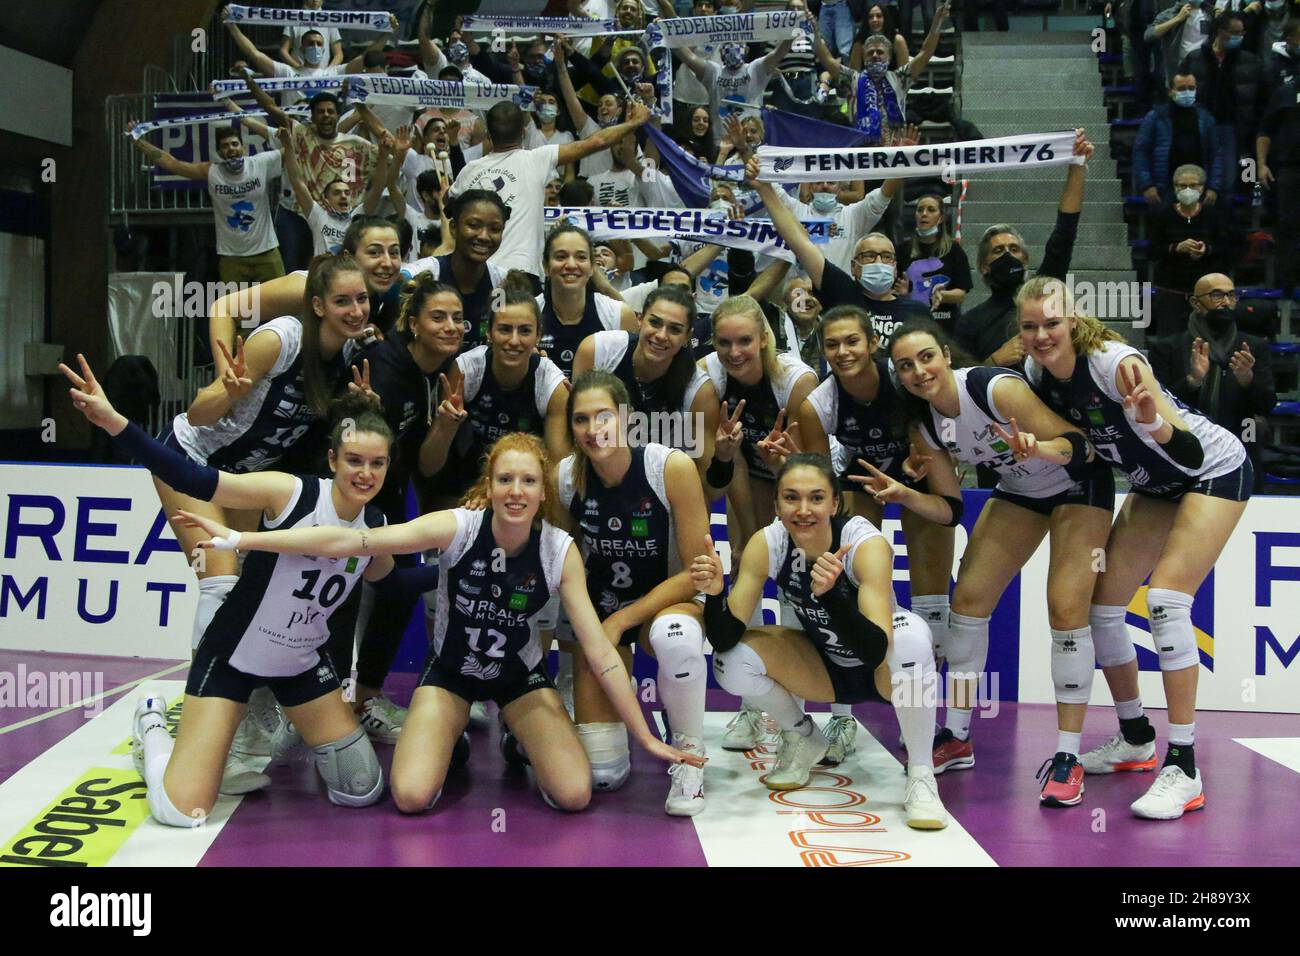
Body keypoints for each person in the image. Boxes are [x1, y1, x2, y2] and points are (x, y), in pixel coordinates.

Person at [194, 431, 705, 813]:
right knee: (412, 796)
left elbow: (600, 654)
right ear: (490, 484)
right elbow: (351, 541)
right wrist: (245, 542)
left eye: (528, 481)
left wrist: (647, 738)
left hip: (517, 680)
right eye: (505, 479)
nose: (516, 491)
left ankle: (514, 732)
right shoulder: (457, 527)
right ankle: (451, 737)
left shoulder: (558, 550)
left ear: (542, 492)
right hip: (451, 674)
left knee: (574, 794)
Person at [63, 360, 397, 825]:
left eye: (377, 463)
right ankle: (153, 728)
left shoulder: (378, 529)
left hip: (301, 665)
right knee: (183, 810)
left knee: (362, 789)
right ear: (333, 460)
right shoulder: (290, 493)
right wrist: (116, 423)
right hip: (234, 656)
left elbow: (396, 583)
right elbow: (195, 480)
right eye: (354, 461)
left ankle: (277, 727)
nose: (365, 473)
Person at [1018, 275, 1252, 820]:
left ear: (1073, 319)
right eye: (1030, 327)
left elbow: (1192, 455)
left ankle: (1186, 765)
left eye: (1052, 323)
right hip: (1154, 484)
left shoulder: (1114, 363)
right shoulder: (1037, 376)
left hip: (1211, 470)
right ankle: (1135, 737)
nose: (1042, 335)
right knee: (1103, 609)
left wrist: (1152, 424)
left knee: (1168, 601)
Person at [883, 316, 1114, 805]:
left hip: (1078, 483)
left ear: (946, 355)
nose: (919, 371)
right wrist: (906, 494)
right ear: (899, 376)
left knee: (1065, 610)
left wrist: (1039, 448)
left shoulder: (994, 389)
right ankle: (959, 733)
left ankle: (1068, 755)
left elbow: (1084, 445)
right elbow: (950, 510)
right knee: (966, 601)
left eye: (926, 357)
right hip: (1021, 492)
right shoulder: (925, 425)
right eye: (906, 366)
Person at [690, 453, 949, 828]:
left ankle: (921, 774)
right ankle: (804, 738)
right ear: (776, 504)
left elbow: (875, 649)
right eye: (791, 497)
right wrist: (715, 594)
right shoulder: (769, 543)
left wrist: (832, 597)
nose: (803, 509)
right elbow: (725, 637)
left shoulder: (865, 544)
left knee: (910, 638)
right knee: (730, 663)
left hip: (879, 672)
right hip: (823, 667)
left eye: (815, 498)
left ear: (835, 503)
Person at [795, 306, 956, 765]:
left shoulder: (903, 378)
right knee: (847, 589)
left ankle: (932, 719)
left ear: (871, 343)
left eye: (852, 342)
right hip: (859, 483)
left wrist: (911, 469)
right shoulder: (817, 404)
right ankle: (843, 714)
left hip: (917, 476)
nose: (843, 352)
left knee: (931, 602)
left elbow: (937, 436)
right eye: (832, 344)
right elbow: (817, 482)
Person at [554, 372, 714, 813]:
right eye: (581, 420)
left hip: (666, 604)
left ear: (627, 419)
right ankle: (595, 720)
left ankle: (689, 756)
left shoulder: (669, 467)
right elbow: (558, 559)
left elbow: (697, 573)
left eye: (603, 416)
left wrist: (622, 620)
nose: (593, 429)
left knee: (675, 634)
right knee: (603, 776)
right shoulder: (567, 477)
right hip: (603, 614)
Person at [343, 276, 467, 742]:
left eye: (458, 318)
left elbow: (425, 466)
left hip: (392, 498)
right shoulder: (383, 367)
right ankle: (323, 703)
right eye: (438, 317)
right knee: (352, 598)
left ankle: (365, 699)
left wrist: (445, 428)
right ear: (413, 323)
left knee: (395, 597)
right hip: (351, 500)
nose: (450, 325)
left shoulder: (441, 371)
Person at [446, 100, 654, 280]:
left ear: (489, 135)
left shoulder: (469, 171)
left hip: (477, 272)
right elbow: (597, 141)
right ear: (524, 132)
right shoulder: (537, 158)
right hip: (521, 273)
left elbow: (448, 206)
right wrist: (635, 121)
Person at [418, 274, 570, 504]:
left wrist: (500, 498)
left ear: (538, 335)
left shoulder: (552, 385)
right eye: (505, 329)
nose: (514, 340)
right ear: (489, 333)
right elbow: (428, 468)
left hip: (523, 490)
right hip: (463, 487)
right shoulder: (466, 370)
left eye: (525, 331)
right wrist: (445, 426)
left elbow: (556, 476)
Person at [955, 130, 1094, 371]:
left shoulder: (1045, 288)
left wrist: (1077, 165)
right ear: (984, 266)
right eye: (998, 251)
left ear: (1025, 260)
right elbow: (960, 382)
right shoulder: (970, 323)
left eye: (1014, 249)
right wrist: (994, 361)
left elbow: (1065, 232)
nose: (1008, 255)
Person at [751, 159, 932, 344]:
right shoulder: (798, 211)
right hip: (800, 304)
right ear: (810, 186)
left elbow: (885, 194)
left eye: (831, 182)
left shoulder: (853, 215)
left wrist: (902, 159)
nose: (825, 187)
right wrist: (747, 153)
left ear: (840, 188)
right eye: (819, 182)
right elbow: (770, 191)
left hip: (843, 299)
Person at [702, 295, 819, 563]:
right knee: (746, 552)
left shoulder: (797, 380)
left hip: (799, 468)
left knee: (798, 555)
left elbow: (808, 468)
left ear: (764, 339)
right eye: (724, 342)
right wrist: (748, 533)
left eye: (744, 341)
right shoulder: (707, 374)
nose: (734, 352)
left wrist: (779, 466)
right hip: (745, 469)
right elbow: (717, 482)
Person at [208, 217, 406, 372]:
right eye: (374, 252)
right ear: (348, 257)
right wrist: (225, 373)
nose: (387, 263)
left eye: (395, 252)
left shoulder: (383, 294)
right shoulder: (305, 286)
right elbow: (224, 308)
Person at [571, 285, 723, 482]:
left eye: (675, 329)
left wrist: (724, 461)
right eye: (655, 322)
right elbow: (573, 438)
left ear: (687, 336)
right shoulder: (598, 351)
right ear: (640, 319)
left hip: (662, 487)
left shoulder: (699, 390)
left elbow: (704, 477)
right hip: (597, 475)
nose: (661, 335)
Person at [1148, 273, 1276, 487]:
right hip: (1185, 452)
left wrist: (1248, 380)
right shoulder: (1167, 348)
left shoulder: (1253, 347)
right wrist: (1193, 380)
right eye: (1217, 295)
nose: (1226, 302)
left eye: (1231, 295)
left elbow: (1267, 404)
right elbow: (1159, 408)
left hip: (1241, 447)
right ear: (1195, 303)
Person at [240, 82, 379, 273]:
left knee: (340, 271)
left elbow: (388, 159)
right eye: (320, 112)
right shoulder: (301, 134)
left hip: (339, 221)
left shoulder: (358, 145)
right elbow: (271, 108)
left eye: (330, 111)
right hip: (298, 215)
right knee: (292, 270)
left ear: (338, 115)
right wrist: (250, 82)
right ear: (312, 116)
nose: (326, 115)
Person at [126, 122, 285, 284]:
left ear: (243, 148)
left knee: (280, 305)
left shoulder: (261, 164)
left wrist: (295, 132)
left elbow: (295, 150)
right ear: (219, 153)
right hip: (232, 257)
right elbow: (173, 164)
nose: (230, 148)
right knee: (237, 309)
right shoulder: (212, 172)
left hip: (267, 252)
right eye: (225, 146)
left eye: (234, 144)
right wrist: (138, 141)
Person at [815, 4, 949, 144]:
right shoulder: (853, 79)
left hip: (894, 147)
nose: (875, 55)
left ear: (889, 58)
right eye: (870, 53)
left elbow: (925, 52)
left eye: (880, 52)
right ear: (864, 59)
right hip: (862, 150)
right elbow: (827, 60)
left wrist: (936, 24)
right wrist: (814, 33)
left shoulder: (900, 78)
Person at [403, 190, 508, 352]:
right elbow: (397, 279)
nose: (484, 236)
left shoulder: (500, 282)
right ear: (453, 227)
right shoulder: (430, 272)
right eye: (474, 225)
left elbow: (495, 331)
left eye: (495, 229)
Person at [536, 223, 639, 381]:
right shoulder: (531, 312)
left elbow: (631, 389)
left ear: (592, 267)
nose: (571, 265)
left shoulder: (619, 315)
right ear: (546, 266)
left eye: (581, 257)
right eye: (561, 256)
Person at [281, 126, 399, 257]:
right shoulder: (318, 216)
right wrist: (288, 146)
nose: (343, 196)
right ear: (326, 199)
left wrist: (383, 156)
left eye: (347, 193)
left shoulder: (358, 216)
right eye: (337, 193)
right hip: (324, 272)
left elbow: (377, 189)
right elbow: (298, 183)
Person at [1146, 164, 1232, 336]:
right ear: (1174, 187)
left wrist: (1206, 250)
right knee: (1169, 341)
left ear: (1202, 188)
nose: (1187, 189)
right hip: (1171, 290)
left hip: (1206, 293)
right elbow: (1152, 251)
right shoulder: (1162, 214)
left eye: (1193, 186)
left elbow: (1227, 249)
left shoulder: (1214, 215)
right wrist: (1176, 248)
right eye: (1182, 185)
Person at [675, 23, 799, 141]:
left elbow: (779, 53)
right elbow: (688, 57)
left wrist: (794, 30)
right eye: (728, 43)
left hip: (750, 140)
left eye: (738, 43)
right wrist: (666, 34)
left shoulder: (755, 68)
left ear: (746, 49)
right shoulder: (713, 71)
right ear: (720, 50)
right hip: (721, 142)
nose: (733, 47)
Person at [1179, 11, 1267, 168]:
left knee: (1228, 177)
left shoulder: (1252, 62)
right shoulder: (1194, 59)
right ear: (1220, 32)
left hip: (1234, 128)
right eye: (1235, 33)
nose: (1240, 36)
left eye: (1242, 32)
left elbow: (1261, 99)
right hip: (1201, 127)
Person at [1131, 73, 1225, 206]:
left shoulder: (1206, 119)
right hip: (1164, 188)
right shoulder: (1155, 117)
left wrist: (1214, 187)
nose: (1187, 92)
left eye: (1191, 88)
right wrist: (1147, 185)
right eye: (1181, 89)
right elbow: (1140, 152)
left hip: (1199, 188)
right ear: (1171, 92)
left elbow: (1216, 155)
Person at [896, 192, 973, 333]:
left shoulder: (953, 250)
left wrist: (942, 295)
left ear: (941, 217)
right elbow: (895, 290)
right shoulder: (903, 250)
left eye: (931, 210)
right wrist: (904, 294)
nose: (924, 214)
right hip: (912, 323)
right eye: (920, 210)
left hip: (946, 325)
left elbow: (961, 294)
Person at [1257, 75, 1300, 295]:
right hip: (1290, 169)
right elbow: (1265, 130)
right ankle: (1287, 282)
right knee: (1287, 224)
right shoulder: (1285, 92)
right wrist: (1262, 164)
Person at [278, 1, 344, 68]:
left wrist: (328, 71)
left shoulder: (329, 19)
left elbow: (338, 54)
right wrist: (298, 68)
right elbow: (283, 51)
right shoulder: (294, 18)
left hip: (323, 75)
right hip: (298, 74)